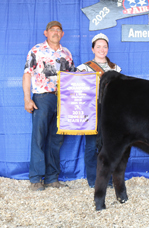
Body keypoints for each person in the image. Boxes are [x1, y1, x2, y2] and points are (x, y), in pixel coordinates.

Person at [23, 21, 76, 191]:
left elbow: (73, 79)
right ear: (46, 33)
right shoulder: (36, 50)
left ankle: (52, 178)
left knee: (56, 139)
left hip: (62, 100)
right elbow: (27, 75)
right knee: (39, 137)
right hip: (42, 97)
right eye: (52, 30)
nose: (55, 32)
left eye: (58, 30)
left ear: (62, 34)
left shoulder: (67, 54)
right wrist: (27, 99)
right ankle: (36, 178)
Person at [77, 33, 121, 188]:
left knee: (107, 145)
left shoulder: (115, 68)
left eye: (105, 46)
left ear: (108, 49)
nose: (102, 49)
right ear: (93, 49)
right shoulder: (83, 68)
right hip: (90, 108)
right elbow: (77, 90)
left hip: (109, 109)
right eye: (98, 47)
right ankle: (92, 180)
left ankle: (107, 179)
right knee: (91, 145)